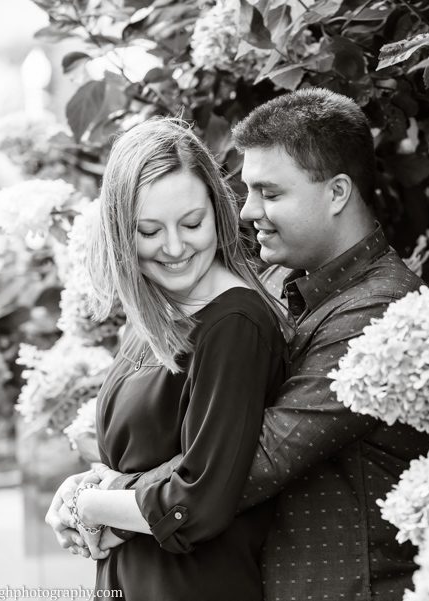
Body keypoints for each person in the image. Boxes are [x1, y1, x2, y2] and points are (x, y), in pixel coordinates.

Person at [48, 89, 429, 601]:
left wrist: (100, 498)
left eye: (270, 193)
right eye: (248, 191)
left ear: (338, 192)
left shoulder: (381, 310)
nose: (248, 211)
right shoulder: (278, 286)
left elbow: (249, 460)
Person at [58, 117, 287, 601]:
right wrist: (82, 491)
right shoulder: (154, 313)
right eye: (149, 230)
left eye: (192, 223)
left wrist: (92, 506)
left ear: (217, 213)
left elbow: (199, 496)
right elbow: (141, 462)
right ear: (121, 232)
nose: (176, 248)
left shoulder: (234, 324)